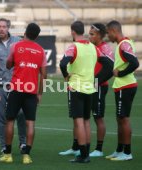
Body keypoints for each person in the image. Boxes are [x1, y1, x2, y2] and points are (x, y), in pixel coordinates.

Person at [59, 21, 112, 163]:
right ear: (84, 31)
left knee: (79, 121)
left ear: (72, 32)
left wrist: (66, 75)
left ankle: (82, 155)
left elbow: (63, 63)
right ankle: (86, 152)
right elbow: (109, 64)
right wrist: (97, 79)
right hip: (90, 88)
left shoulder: (74, 47)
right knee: (87, 121)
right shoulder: (93, 48)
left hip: (76, 87)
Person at [0, 23, 47, 164]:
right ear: (37, 36)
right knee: (30, 123)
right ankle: (26, 156)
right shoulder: (41, 51)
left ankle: (8, 154)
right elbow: (44, 75)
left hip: (16, 89)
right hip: (31, 92)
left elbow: (8, 65)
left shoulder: (16, 46)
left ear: (25, 32)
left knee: (10, 120)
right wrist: (40, 93)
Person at [0, 18, 26, 153]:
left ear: (8, 28)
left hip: (17, 85)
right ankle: (4, 146)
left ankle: (22, 143)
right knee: (1, 117)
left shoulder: (18, 41)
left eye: (4, 26)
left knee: (21, 115)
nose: (1, 29)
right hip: (0, 86)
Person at [105, 20, 139, 161]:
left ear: (114, 31)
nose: (107, 36)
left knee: (124, 119)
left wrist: (120, 73)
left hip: (126, 86)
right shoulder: (125, 43)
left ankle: (127, 153)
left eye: (108, 33)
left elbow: (135, 63)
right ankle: (119, 150)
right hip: (123, 86)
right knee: (120, 119)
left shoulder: (123, 44)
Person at [88, 23, 114, 157]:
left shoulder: (105, 48)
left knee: (98, 118)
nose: (89, 36)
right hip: (88, 86)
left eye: (92, 34)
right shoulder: (92, 47)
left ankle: (99, 149)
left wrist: (96, 81)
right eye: (89, 33)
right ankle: (77, 146)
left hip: (99, 87)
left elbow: (110, 68)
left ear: (99, 35)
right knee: (84, 116)